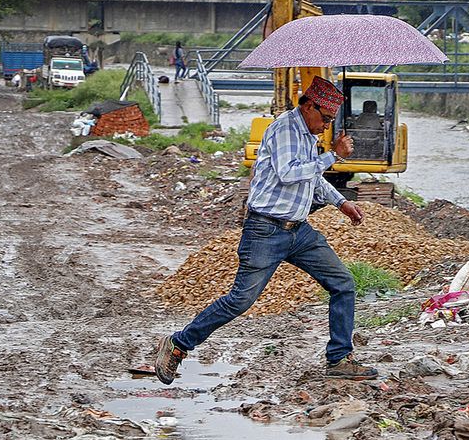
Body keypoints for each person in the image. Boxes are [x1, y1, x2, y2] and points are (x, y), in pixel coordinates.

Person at [153, 77, 378, 383]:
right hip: (266, 231)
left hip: (299, 232)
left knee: (342, 283)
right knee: (240, 300)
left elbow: (310, 178)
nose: (326, 126)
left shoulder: (307, 135)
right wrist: (334, 155)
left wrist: (341, 203)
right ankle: (178, 345)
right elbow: (289, 173)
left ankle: (339, 358)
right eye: (324, 118)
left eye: (330, 121)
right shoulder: (285, 128)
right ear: (309, 106)